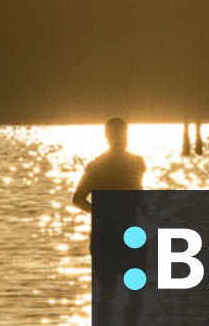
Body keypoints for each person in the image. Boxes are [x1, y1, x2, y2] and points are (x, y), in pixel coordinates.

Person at [72, 118, 147, 326]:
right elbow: (77, 198)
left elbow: (139, 196)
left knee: (130, 293)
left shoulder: (136, 163)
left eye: (124, 134)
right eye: (118, 135)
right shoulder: (97, 167)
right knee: (112, 294)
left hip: (125, 237)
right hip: (109, 237)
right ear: (108, 137)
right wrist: (102, 212)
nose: (122, 139)